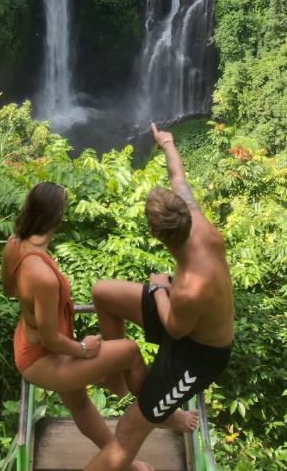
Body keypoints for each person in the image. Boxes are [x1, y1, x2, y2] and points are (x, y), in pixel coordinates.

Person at [83, 123, 234, 471]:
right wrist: (166, 142)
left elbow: (175, 329)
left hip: (197, 355)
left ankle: (159, 412)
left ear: (156, 235)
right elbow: (178, 175)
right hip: (178, 308)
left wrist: (162, 287)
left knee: (127, 431)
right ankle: (121, 381)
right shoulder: (193, 217)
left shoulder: (192, 287)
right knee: (103, 292)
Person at [1, 181, 153, 470]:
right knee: (130, 351)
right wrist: (84, 348)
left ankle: (123, 461)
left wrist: (34, 311)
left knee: (80, 404)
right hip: (44, 356)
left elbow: (9, 288)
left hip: (27, 342)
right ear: (57, 218)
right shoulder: (43, 276)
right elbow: (50, 339)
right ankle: (157, 408)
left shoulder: (14, 244)